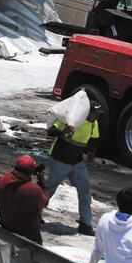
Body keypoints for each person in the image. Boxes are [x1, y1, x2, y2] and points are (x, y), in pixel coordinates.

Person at [45, 99, 103, 236]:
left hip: (77, 163)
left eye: (98, 114)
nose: (97, 117)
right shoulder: (73, 118)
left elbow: (95, 139)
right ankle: (34, 215)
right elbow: (51, 131)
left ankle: (85, 223)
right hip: (59, 160)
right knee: (48, 189)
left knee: (84, 189)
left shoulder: (94, 124)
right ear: (87, 112)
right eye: (95, 113)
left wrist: (91, 152)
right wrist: (63, 131)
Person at [0, 154, 50, 244]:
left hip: (6, 230)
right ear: (31, 171)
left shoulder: (1, 180)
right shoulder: (33, 189)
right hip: (29, 237)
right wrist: (42, 183)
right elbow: (44, 202)